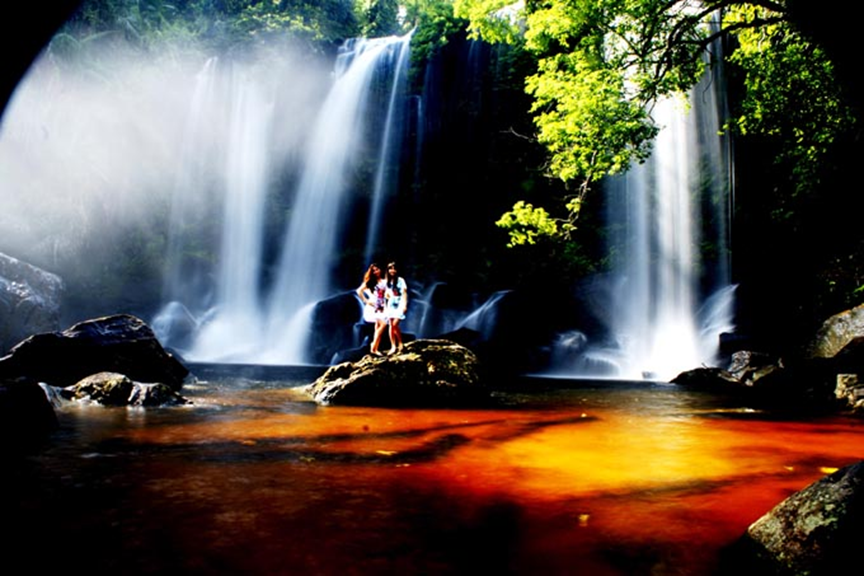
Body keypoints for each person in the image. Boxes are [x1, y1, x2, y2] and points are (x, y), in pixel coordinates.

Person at [356, 263, 388, 356]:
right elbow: (359, 291)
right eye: (373, 270)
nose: (376, 272)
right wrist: (366, 301)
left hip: (382, 306)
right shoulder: (369, 282)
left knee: (378, 326)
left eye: (377, 269)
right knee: (383, 324)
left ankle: (375, 347)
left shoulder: (384, 281)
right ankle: (374, 346)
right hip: (372, 307)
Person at [384, 261, 408, 354]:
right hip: (390, 304)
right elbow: (385, 294)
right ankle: (393, 346)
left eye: (394, 268)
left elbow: (404, 293)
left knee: (394, 324)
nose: (392, 270)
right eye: (390, 268)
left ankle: (400, 343)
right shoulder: (387, 281)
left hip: (399, 304)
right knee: (391, 325)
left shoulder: (401, 280)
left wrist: (405, 305)